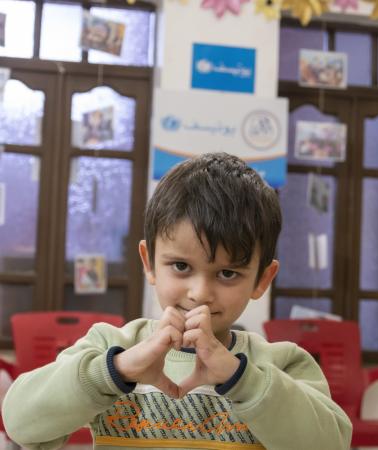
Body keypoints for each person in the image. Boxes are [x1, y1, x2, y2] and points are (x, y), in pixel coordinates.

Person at [2, 152, 352, 450]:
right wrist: (115, 371)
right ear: (149, 262)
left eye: (228, 273)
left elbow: (332, 442)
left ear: (262, 279)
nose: (200, 292)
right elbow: (19, 422)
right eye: (181, 266)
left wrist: (241, 378)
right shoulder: (111, 347)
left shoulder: (280, 363)